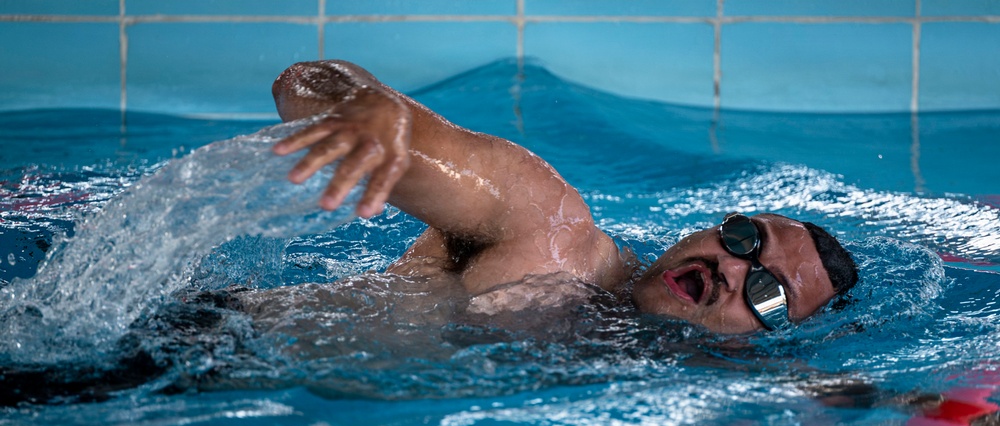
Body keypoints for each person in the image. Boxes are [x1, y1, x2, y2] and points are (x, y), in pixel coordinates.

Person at [270, 60, 857, 335]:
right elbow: (303, 85)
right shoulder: (545, 229)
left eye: (769, 293)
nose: (731, 269)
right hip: (200, 343)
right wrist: (361, 105)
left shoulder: (692, 381)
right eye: (745, 238)